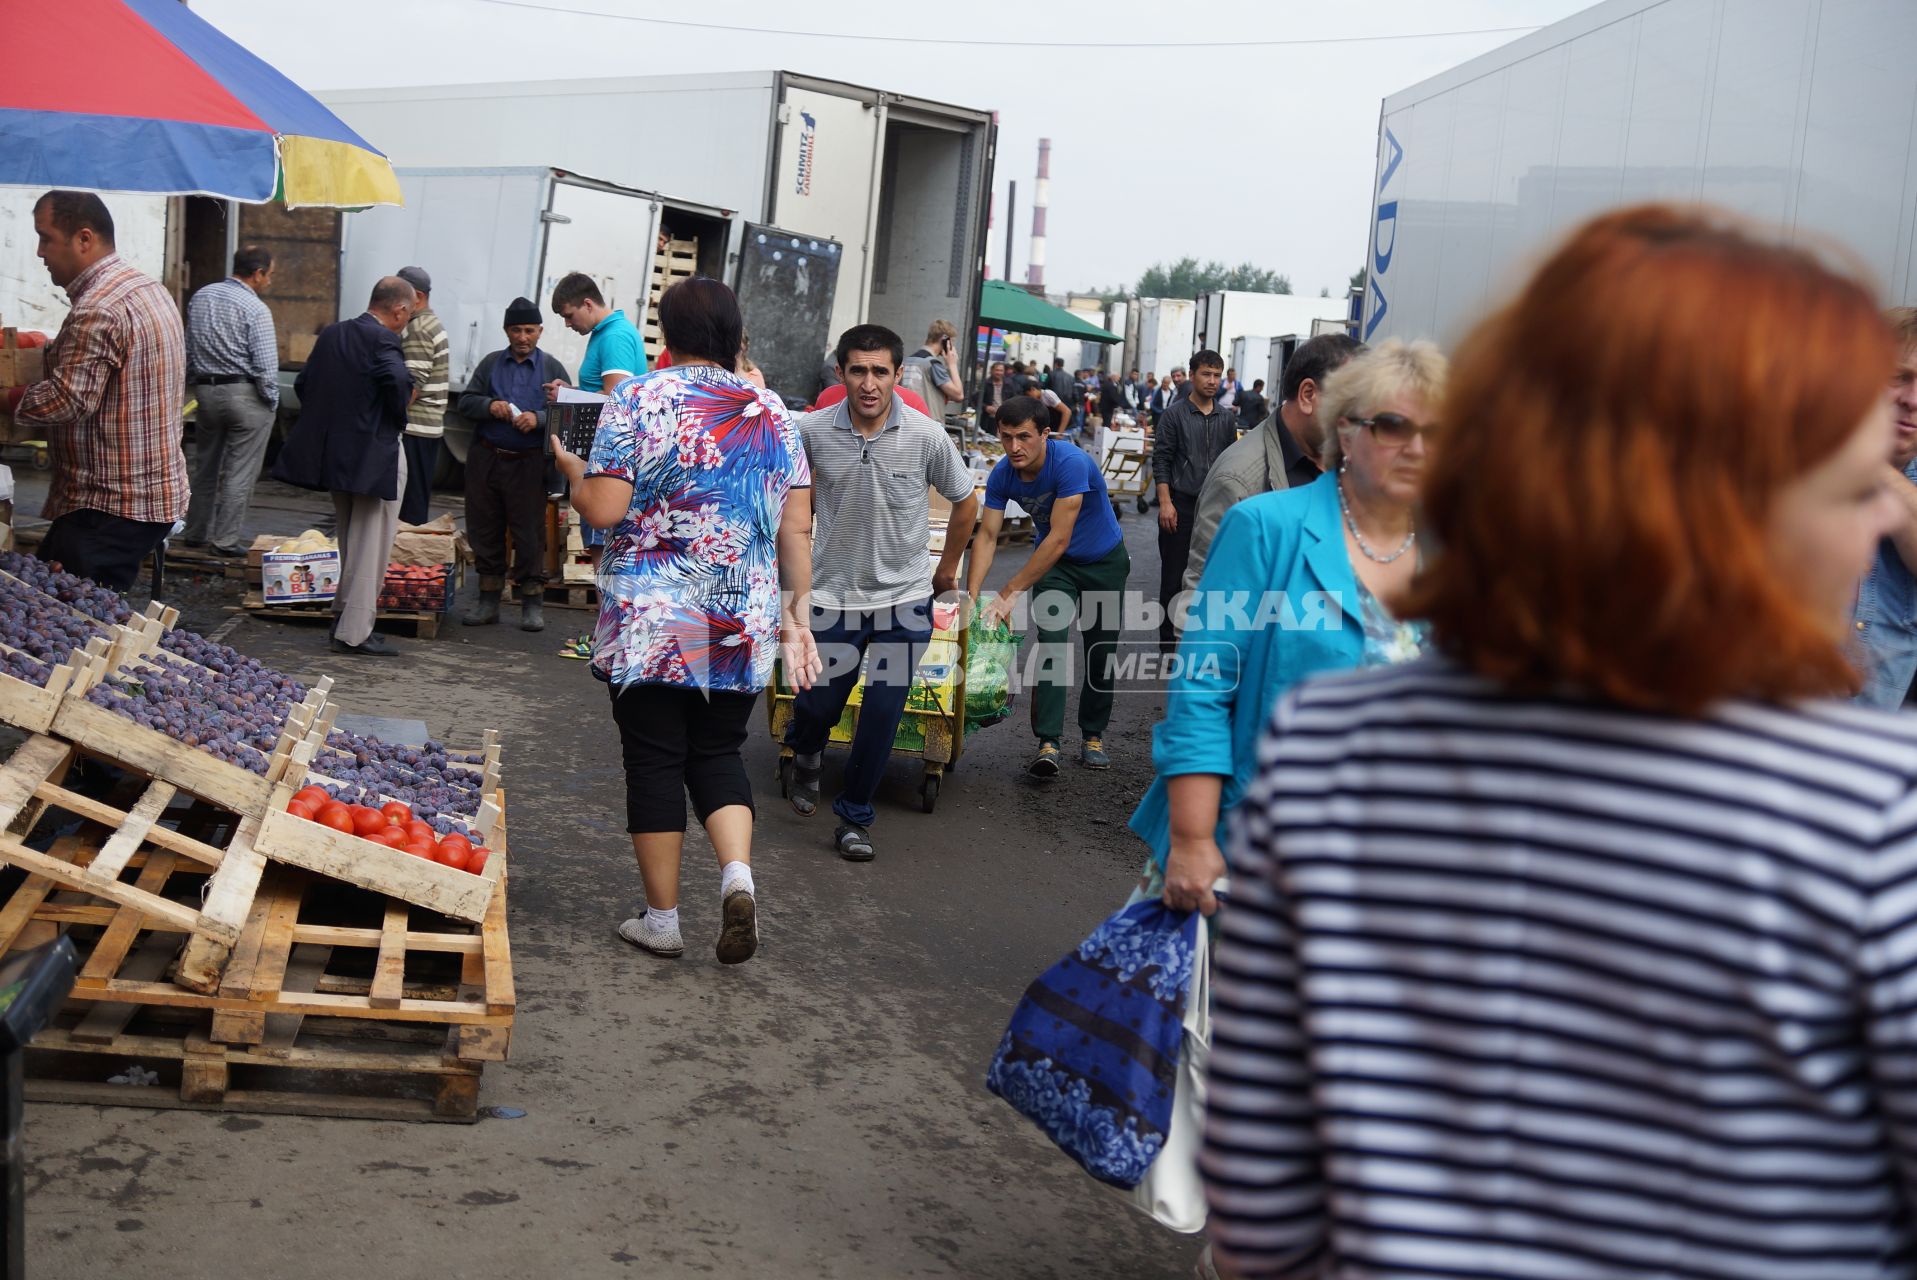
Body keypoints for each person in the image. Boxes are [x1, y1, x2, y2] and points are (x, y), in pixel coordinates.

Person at [1198, 206, 1917, 1280]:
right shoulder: (1873, 816)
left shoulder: (1331, 753)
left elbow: (1258, 1213)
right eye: (1856, 485)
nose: (1876, 529)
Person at [550, 277, 818, 965]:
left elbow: (605, 509)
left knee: (654, 760)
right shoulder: (773, 412)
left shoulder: (638, 398)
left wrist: (573, 470)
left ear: (664, 336)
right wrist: (797, 619)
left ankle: (662, 921)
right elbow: (795, 529)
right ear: (733, 334)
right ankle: (737, 877)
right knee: (717, 754)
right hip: (737, 619)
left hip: (651, 616)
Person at [1133, 337, 1445, 912]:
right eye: (1395, 426)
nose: (1420, 449)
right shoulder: (1265, 526)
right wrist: (1194, 838)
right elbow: (1204, 681)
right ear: (1346, 430)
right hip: (1256, 859)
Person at [784, 325, 978, 861]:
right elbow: (789, 500)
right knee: (819, 702)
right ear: (841, 373)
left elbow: (966, 503)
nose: (869, 383)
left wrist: (947, 568)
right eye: (858, 371)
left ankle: (854, 817)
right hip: (832, 597)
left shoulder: (926, 435)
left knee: (882, 712)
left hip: (904, 601)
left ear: (897, 374)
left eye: (879, 371)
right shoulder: (811, 431)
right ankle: (805, 750)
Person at [7, 191, 187, 591]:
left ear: (83, 239)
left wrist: (6, 399)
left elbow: (68, 399)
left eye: (45, 237)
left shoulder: (99, 307)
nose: (39, 252)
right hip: (142, 498)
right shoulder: (145, 288)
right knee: (49, 591)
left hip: (108, 505)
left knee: (74, 622)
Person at [968, 395, 1130, 777]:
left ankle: (1093, 735)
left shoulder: (1071, 463)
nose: (1014, 447)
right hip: (1055, 568)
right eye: (1006, 437)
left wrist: (1008, 594)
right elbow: (988, 536)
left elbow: (1059, 537)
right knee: (1053, 646)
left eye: (1023, 437)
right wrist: (973, 596)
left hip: (1103, 561)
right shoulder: (1003, 474)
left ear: (1045, 433)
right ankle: (1049, 742)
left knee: (1100, 651)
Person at [271, 277, 416, 656]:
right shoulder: (385, 339)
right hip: (375, 455)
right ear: (398, 310)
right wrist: (396, 415)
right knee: (372, 543)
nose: (407, 322)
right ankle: (355, 633)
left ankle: (342, 617)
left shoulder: (334, 333)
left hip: (338, 456)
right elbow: (398, 379)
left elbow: (305, 383)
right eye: (408, 315)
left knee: (351, 540)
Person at [1184, 333, 1361, 591]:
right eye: (1354, 404)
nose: (1363, 419)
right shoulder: (1238, 482)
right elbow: (1206, 601)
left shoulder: (1348, 459)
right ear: (1308, 395)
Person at [456, 297, 571, 633]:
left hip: (529, 463)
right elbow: (466, 402)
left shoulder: (552, 368)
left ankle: (531, 603)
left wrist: (538, 419)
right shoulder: (491, 364)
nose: (523, 337)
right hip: (487, 458)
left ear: (540, 331)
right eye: (517, 330)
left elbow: (568, 413)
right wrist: (490, 406)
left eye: (530, 330)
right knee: (485, 527)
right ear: (507, 330)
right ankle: (488, 600)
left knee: (529, 532)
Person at [182, 243, 277, 558]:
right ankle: (224, 541)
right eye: (269, 275)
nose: (269, 282)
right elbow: (265, 367)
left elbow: (190, 349)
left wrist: (195, 383)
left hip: (207, 392)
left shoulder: (201, 297)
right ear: (257, 273)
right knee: (240, 471)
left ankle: (194, 533)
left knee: (205, 466)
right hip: (245, 394)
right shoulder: (256, 309)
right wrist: (271, 401)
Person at [1851, 306, 1917, 708]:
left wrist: (1868, 462)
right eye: (1900, 378)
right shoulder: (1798, 466)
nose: (1913, 400)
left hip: (1866, 754)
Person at [1150, 350, 1233, 644]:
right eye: (1206, 374)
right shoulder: (1174, 415)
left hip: (1215, 508)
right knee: (1174, 577)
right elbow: (1161, 460)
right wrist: (1165, 502)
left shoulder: (1227, 419)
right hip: (1180, 505)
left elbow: (1230, 465)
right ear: (1192, 374)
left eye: (1217, 375)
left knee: (1212, 576)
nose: (1212, 381)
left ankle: (1200, 639)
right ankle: (1169, 643)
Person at [395, 265, 449, 526]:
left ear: (416, 296)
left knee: (410, 505)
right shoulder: (429, 323)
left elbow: (412, 385)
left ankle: (405, 561)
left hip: (416, 427)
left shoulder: (418, 328)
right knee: (413, 499)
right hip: (425, 427)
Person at [548, 271, 647, 397]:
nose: (567, 324)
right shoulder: (604, 332)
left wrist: (566, 397)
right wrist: (570, 391)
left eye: (569, 316)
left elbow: (615, 401)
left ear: (588, 305)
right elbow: (598, 392)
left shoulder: (615, 336)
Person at [904, 320, 966, 424]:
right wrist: (952, 364)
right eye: (952, 342)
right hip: (928, 426)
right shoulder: (933, 364)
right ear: (945, 340)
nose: (953, 347)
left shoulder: (906, 361)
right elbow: (958, 395)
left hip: (906, 421)